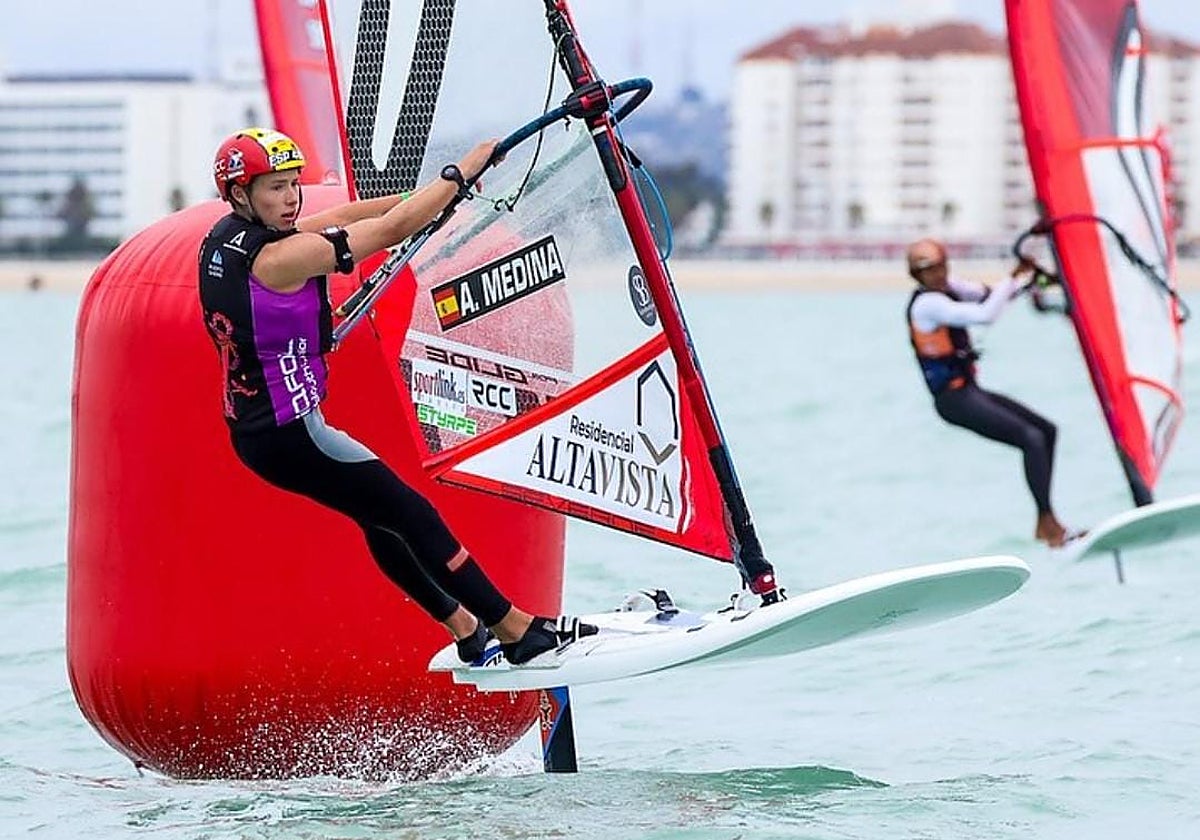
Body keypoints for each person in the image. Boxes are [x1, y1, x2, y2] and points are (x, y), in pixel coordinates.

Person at [198, 127, 596, 665]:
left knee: (379, 517)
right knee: (412, 515)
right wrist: (466, 170)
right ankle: (516, 629)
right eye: (275, 188)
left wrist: (432, 196)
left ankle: (465, 629)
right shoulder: (278, 260)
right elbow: (392, 230)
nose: (291, 197)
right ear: (241, 194)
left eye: (294, 184)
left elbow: (360, 215)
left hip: (260, 434)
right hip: (294, 435)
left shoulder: (228, 240)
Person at [905, 237, 1077, 548]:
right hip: (953, 400)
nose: (939, 274)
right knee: (1031, 439)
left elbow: (989, 295)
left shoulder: (949, 288)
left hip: (969, 391)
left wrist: (1025, 277)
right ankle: (1049, 525)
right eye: (929, 271)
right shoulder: (927, 305)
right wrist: (1014, 280)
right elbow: (985, 314)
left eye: (941, 266)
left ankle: (1047, 522)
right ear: (917, 276)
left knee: (1047, 431)